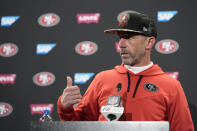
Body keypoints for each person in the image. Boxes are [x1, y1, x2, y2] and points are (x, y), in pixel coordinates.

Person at [57, 10, 194, 131]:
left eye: (129, 37)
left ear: (149, 42)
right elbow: (78, 125)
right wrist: (65, 108)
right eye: (120, 37)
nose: (121, 44)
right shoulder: (102, 79)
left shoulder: (171, 86)